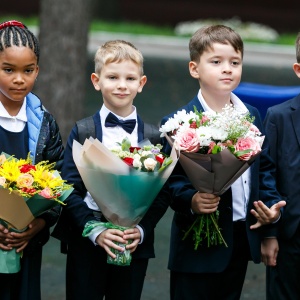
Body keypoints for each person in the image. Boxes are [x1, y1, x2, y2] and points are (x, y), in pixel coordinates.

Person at [160, 25, 286, 300]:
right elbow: (168, 182)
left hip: (240, 239)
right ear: (195, 68)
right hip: (195, 249)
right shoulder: (178, 122)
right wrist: (191, 200)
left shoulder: (251, 115)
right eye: (216, 62)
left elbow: (262, 169)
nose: (227, 68)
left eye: (235, 62)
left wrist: (271, 214)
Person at [52, 39, 170, 300]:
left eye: (130, 78)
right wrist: (96, 230)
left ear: (141, 84)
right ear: (96, 81)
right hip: (87, 241)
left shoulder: (154, 137)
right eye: (113, 77)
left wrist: (140, 230)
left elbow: (162, 194)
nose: (121, 85)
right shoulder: (83, 131)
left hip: (133, 242)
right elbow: (67, 186)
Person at [0, 20, 64, 300]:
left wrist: (37, 225)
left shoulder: (45, 123)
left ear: (37, 70)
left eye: (28, 70)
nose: (19, 79)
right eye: (8, 70)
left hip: (26, 244)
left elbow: (59, 179)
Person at [263, 32, 300, 300]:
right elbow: (268, 173)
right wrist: (270, 234)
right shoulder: (278, 117)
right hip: (291, 237)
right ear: (299, 70)